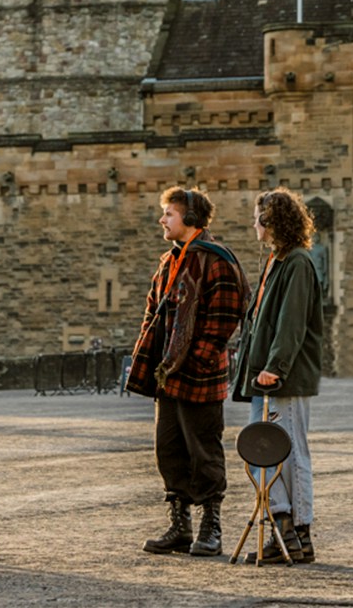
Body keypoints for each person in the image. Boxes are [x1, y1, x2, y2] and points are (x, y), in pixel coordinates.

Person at [125, 186, 248, 558]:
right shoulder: (169, 261)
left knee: (203, 449)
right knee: (169, 449)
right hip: (167, 375)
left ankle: (211, 526)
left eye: (169, 214)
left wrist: (195, 360)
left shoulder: (217, 260)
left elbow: (224, 319)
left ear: (190, 219)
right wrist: (151, 360)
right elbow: (153, 312)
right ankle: (180, 526)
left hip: (199, 375)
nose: (162, 220)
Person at [232, 188, 324, 564]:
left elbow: (291, 323)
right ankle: (283, 525)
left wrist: (276, 366)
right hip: (264, 376)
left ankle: (297, 531)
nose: (254, 225)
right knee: (263, 454)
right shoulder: (277, 261)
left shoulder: (297, 264)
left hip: (282, 377)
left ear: (271, 222)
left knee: (289, 453)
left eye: (258, 218)